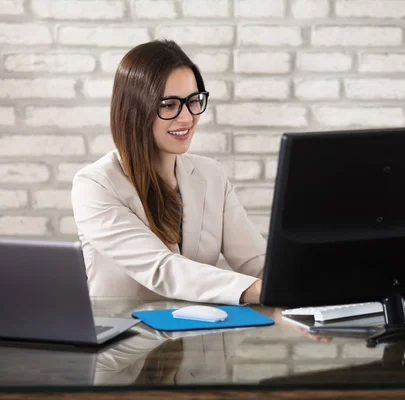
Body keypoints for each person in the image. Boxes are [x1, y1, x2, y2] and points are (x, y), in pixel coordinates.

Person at [71, 39, 266, 305]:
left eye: (193, 101)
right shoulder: (95, 185)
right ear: (134, 111)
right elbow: (163, 269)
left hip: (199, 338)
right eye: (168, 105)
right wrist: (258, 290)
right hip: (126, 341)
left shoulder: (211, 175)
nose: (187, 118)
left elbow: (254, 260)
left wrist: (303, 288)